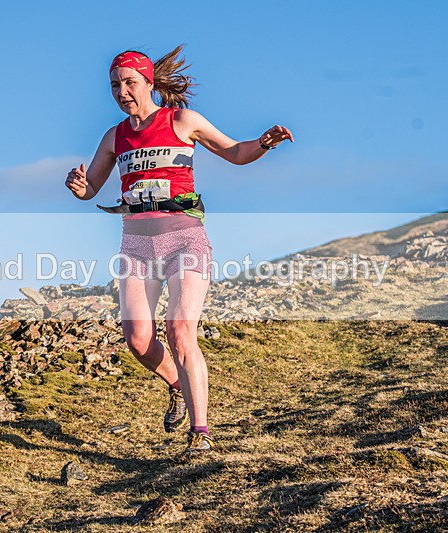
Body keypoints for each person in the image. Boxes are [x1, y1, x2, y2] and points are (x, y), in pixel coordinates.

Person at [65, 45, 293, 458]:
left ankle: (200, 431)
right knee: (137, 339)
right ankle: (175, 382)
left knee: (180, 329)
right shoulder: (114, 137)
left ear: (149, 82)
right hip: (135, 245)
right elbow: (91, 189)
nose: (122, 91)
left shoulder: (181, 120)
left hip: (185, 239)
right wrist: (79, 187)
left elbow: (235, 153)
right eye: (115, 85)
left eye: (130, 82)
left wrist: (264, 142)